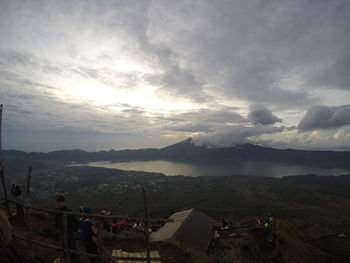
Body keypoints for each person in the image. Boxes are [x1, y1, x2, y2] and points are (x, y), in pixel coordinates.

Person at [54, 195, 78, 262]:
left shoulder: (68, 210)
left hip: (69, 229)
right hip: (62, 228)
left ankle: (74, 256)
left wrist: (76, 229)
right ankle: (66, 253)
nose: (60, 203)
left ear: (64, 202)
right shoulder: (57, 210)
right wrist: (56, 227)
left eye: (61, 202)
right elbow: (56, 219)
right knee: (64, 242)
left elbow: (75, 220)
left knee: (71, 242)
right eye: (59, 202)